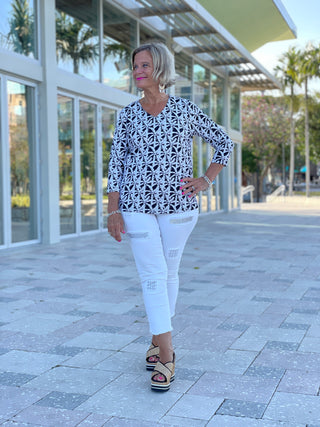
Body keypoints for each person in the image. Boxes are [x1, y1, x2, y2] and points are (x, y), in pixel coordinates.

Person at [107, 42, 233, 391]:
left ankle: (155, 340)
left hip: (179, 208)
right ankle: (167, 353)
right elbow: (117, 164)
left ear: (160, 68)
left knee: (169, 272)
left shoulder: (184, 109)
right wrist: (113, 209)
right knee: (152, 274)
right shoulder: (127, 115)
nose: (137, 71)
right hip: (136, 207)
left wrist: (206, 179)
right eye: (134, 66)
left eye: (144, 64)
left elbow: (224, 143)